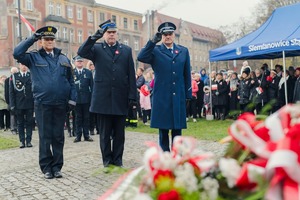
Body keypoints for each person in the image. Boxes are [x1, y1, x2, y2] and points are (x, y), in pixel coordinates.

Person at [13, 26, 77, 179]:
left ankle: (57, 167)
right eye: (46, 39)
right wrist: (32, 37)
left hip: (61, 103)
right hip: (42, 103)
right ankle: (46, 167)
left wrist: (72, 99)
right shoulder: (33, 57)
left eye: (51, 39)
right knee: (45, 136)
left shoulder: (63, 58)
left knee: (58, 136)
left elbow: (71, 80)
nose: (49, 41)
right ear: (41, 41)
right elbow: (17, 53)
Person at [77, 20, 136, 168]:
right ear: (104, 34)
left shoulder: (126, 50)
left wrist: (132, 96)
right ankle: (107, 160)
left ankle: (118, 159)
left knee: (119, 133)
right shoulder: (97, 48)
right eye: (108, 32)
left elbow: (131, 73)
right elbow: (81, 52)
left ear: (117, 34)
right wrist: (95, 35)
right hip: (102, 98)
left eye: (113, 32)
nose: (111, 35)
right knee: (104, 133)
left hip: (120, 97)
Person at [137, 21, 192, 152]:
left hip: (178, 94)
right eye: (165, 34)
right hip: (162, 96)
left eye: (170, 34)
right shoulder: (155, 51)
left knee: (177, 130)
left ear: (174, 35)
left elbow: (186, 74)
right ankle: (165, 156)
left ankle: (176, 155)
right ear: (161, 36)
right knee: (163, 130)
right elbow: (141, 56)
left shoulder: (183, 51)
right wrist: (152, 42)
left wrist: (188, 94)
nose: (168, 36)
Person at [9, 63, 34, 148]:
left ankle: (29, 141)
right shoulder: (14, 76)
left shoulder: (31, 75)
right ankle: (22, 141)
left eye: (25, 65)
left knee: (29, 123)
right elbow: (11, 92)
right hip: (19, 104)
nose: (24, 67)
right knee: (20, 123)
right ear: (19, 65)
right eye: (22, 65)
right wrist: (12, 105)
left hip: (30, 104)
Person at [72, 55, 94, 143]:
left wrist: (92, 99)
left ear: (83, 62)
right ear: (75, 63)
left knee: (86, 117)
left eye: (81, 61)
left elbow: (92, 86)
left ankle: (86, 135)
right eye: (78, 61)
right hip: (76, 99)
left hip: (86, 99)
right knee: (77, 118)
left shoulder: (88, 72)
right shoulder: (72, 73)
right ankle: (78, 135)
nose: (79, 63)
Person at [6, 67, 19, 135]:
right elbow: (7, 92)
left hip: (19, 100)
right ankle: (13, 128)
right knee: (13, 115)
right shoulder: (7, 80)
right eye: (13, 72)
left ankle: (19, 128)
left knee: (19, 115)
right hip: (11, 100)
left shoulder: (19, 79)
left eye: (16, 72)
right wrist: (8, 102)